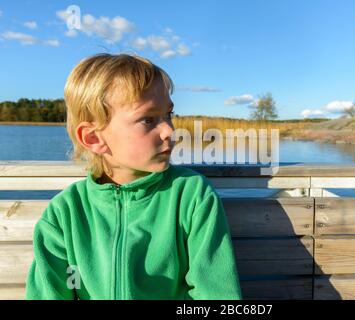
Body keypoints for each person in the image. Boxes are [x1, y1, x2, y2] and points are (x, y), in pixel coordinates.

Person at [25, 53, 243, 300]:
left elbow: (215, 294)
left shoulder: (191, 196)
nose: (169, 130)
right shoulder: (65, 215)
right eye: (149, 120)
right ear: (94, 138)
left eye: (168, 115)